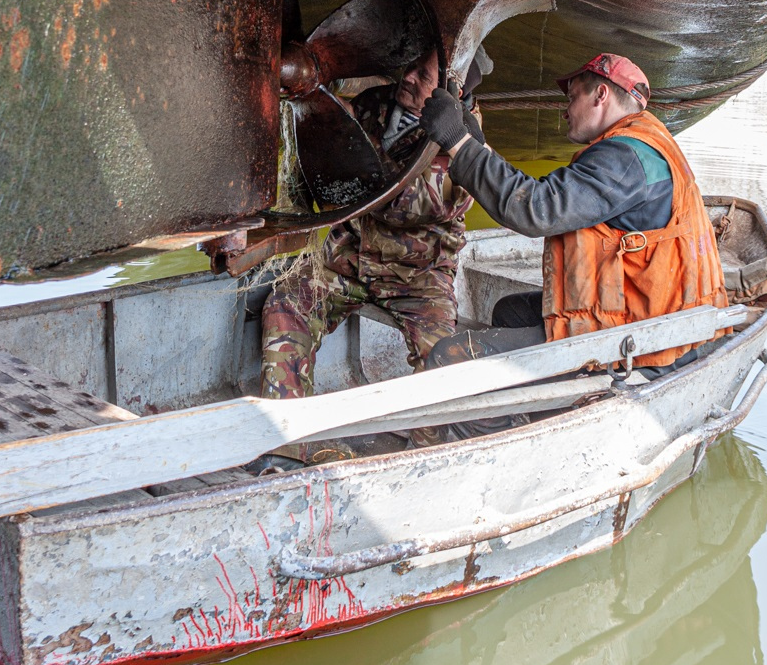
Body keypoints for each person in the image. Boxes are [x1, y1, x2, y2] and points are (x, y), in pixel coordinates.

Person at [418, 52, 729, 435]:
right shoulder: (641, 143)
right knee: (511, 311)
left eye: (572, 98)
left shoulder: (624, 158)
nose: (566, 111)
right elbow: (550, 194)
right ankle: (533, 417)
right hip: (655, 316)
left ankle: (486, 456)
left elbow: (535, 209)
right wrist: (475, 147)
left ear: (600, 95)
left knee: (450, 359)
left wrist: (458, 143)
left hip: (645, 343)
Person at [259, 48, 486, 419]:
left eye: (423, 75)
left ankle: (426, 456)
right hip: (346, 263)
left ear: (452, 92)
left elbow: (416, 207)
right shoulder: (374, 103)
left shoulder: (467, 145)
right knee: (286, 304)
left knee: (444, 361)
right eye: (410, 65)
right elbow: (328, 141)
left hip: (418, 277)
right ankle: (284, 441)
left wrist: (345, 170)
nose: (408, 76)